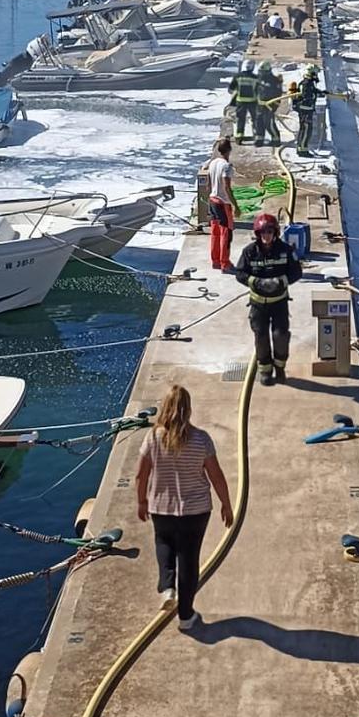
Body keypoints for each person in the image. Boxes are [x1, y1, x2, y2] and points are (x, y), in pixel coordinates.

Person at [133, 384, 233, 632]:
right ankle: (186, 617)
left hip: (161, 507)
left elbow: (140, 475)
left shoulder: (152, 438)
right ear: (188, 410)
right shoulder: (201, 439)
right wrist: (226, 504)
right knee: (189, 560)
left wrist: (141, 501)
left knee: (163, 544)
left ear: (165, 408)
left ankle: (167, 587)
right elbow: (216, 476)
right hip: (195, 510)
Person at [234, 209, 302, 384]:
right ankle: (265, 370)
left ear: (275, 233)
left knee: (280, 336)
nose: (266, 235)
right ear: (258, 233)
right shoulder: (249, 252)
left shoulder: (286, 250)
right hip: (258, 305)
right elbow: (240, 273)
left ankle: (280, 368)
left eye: (270, 232)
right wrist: (255, 282)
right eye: (263, 232)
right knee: (261, 336)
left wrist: (281, 282)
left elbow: (296, 272)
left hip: (279, 303)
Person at [203, 138, 240, 271]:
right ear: (229, 150)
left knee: (215, 232)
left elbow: (208, 183)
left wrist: (211, 195)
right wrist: (236, 205)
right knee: (226, 234)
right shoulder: (227, 166)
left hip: (212, 201)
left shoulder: (213, 163)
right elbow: (227, 187)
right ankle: (225, 263)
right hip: (223, 204)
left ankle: (215, 261)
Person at [290, 64, 321, 154]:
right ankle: (303, 150)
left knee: (304, 129)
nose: (316, 76)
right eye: (315, 73)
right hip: (305, 110)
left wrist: (320, 92)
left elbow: (313, 91)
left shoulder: (308, 83)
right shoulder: (307, 84)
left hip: (306, 109)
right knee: (306, 129)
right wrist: (314, 96)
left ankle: (301, 148)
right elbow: (307, 96)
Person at [226, 61, 259, 141]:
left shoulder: (237, 77)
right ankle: (256, 135)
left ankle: (239, 136)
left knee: (240, 119)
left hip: (240, 102)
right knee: (255, 119)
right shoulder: (256, 78)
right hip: (253, 102)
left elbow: (230, 89)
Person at [253, 59, 283, 144]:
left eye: (262, 71)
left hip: (270, 105)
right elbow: (255, 90)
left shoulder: (274, 81)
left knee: (268, 123)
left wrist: (275, 105)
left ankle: (276, 139)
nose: (260, 73)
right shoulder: (259, 80)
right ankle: (259, 139)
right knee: (258, 122)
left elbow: (278, 93)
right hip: (260, 105)